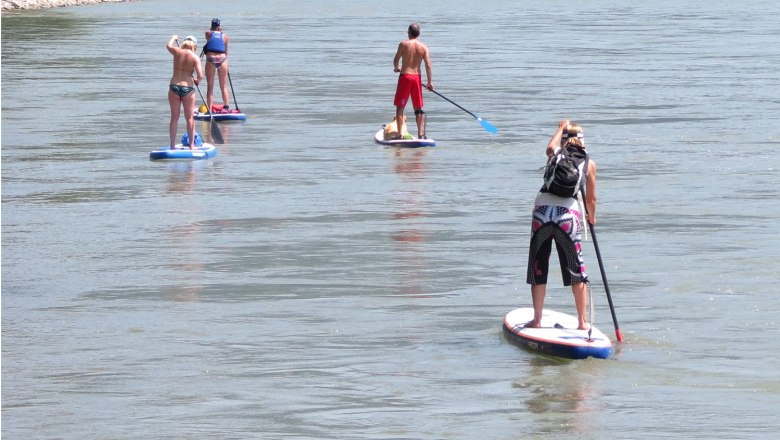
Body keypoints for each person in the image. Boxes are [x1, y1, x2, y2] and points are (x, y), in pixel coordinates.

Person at [525, 120, 598, 330]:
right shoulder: (589, 163)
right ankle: (582, 323)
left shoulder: (556, 154)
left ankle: (537, 320)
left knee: (539, 265)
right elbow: (591, 200)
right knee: (576, 268)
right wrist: (591, 216)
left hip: (542, 213)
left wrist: (559, 128)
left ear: (564, 139)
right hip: (568, 217)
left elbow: (549, 147)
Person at [393, 23, 433, 139]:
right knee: (418, 107)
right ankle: (420, 134)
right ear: (419, 34)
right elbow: (428, 65)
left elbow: (395, 60)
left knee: (400, 107)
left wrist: (396, 68)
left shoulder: (403, 44)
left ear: (408, 33)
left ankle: (400, 134)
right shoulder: (424, 47)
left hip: (405, 76)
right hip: (417, 78)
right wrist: (430, 82)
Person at [167, 35, 203, 149]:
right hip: (188, 89)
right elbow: (200, 75)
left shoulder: (177, 52)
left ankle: (172, 146)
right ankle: (192, 145)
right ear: (195, 46)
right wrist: (197, 81)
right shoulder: (195, 58)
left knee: (174, 118)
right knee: (189, 118)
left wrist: (173, 38)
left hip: (174, 87)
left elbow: (168, 46)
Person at [203, 18, 231, 112]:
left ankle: (209, 109)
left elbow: (209, 39)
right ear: (219, 26)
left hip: (211, 58)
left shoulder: (208, 33)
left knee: (210, 87)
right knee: (223, 86)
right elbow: (226, 51)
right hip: (223, 59)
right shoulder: (225, 36)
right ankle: (226, 107)